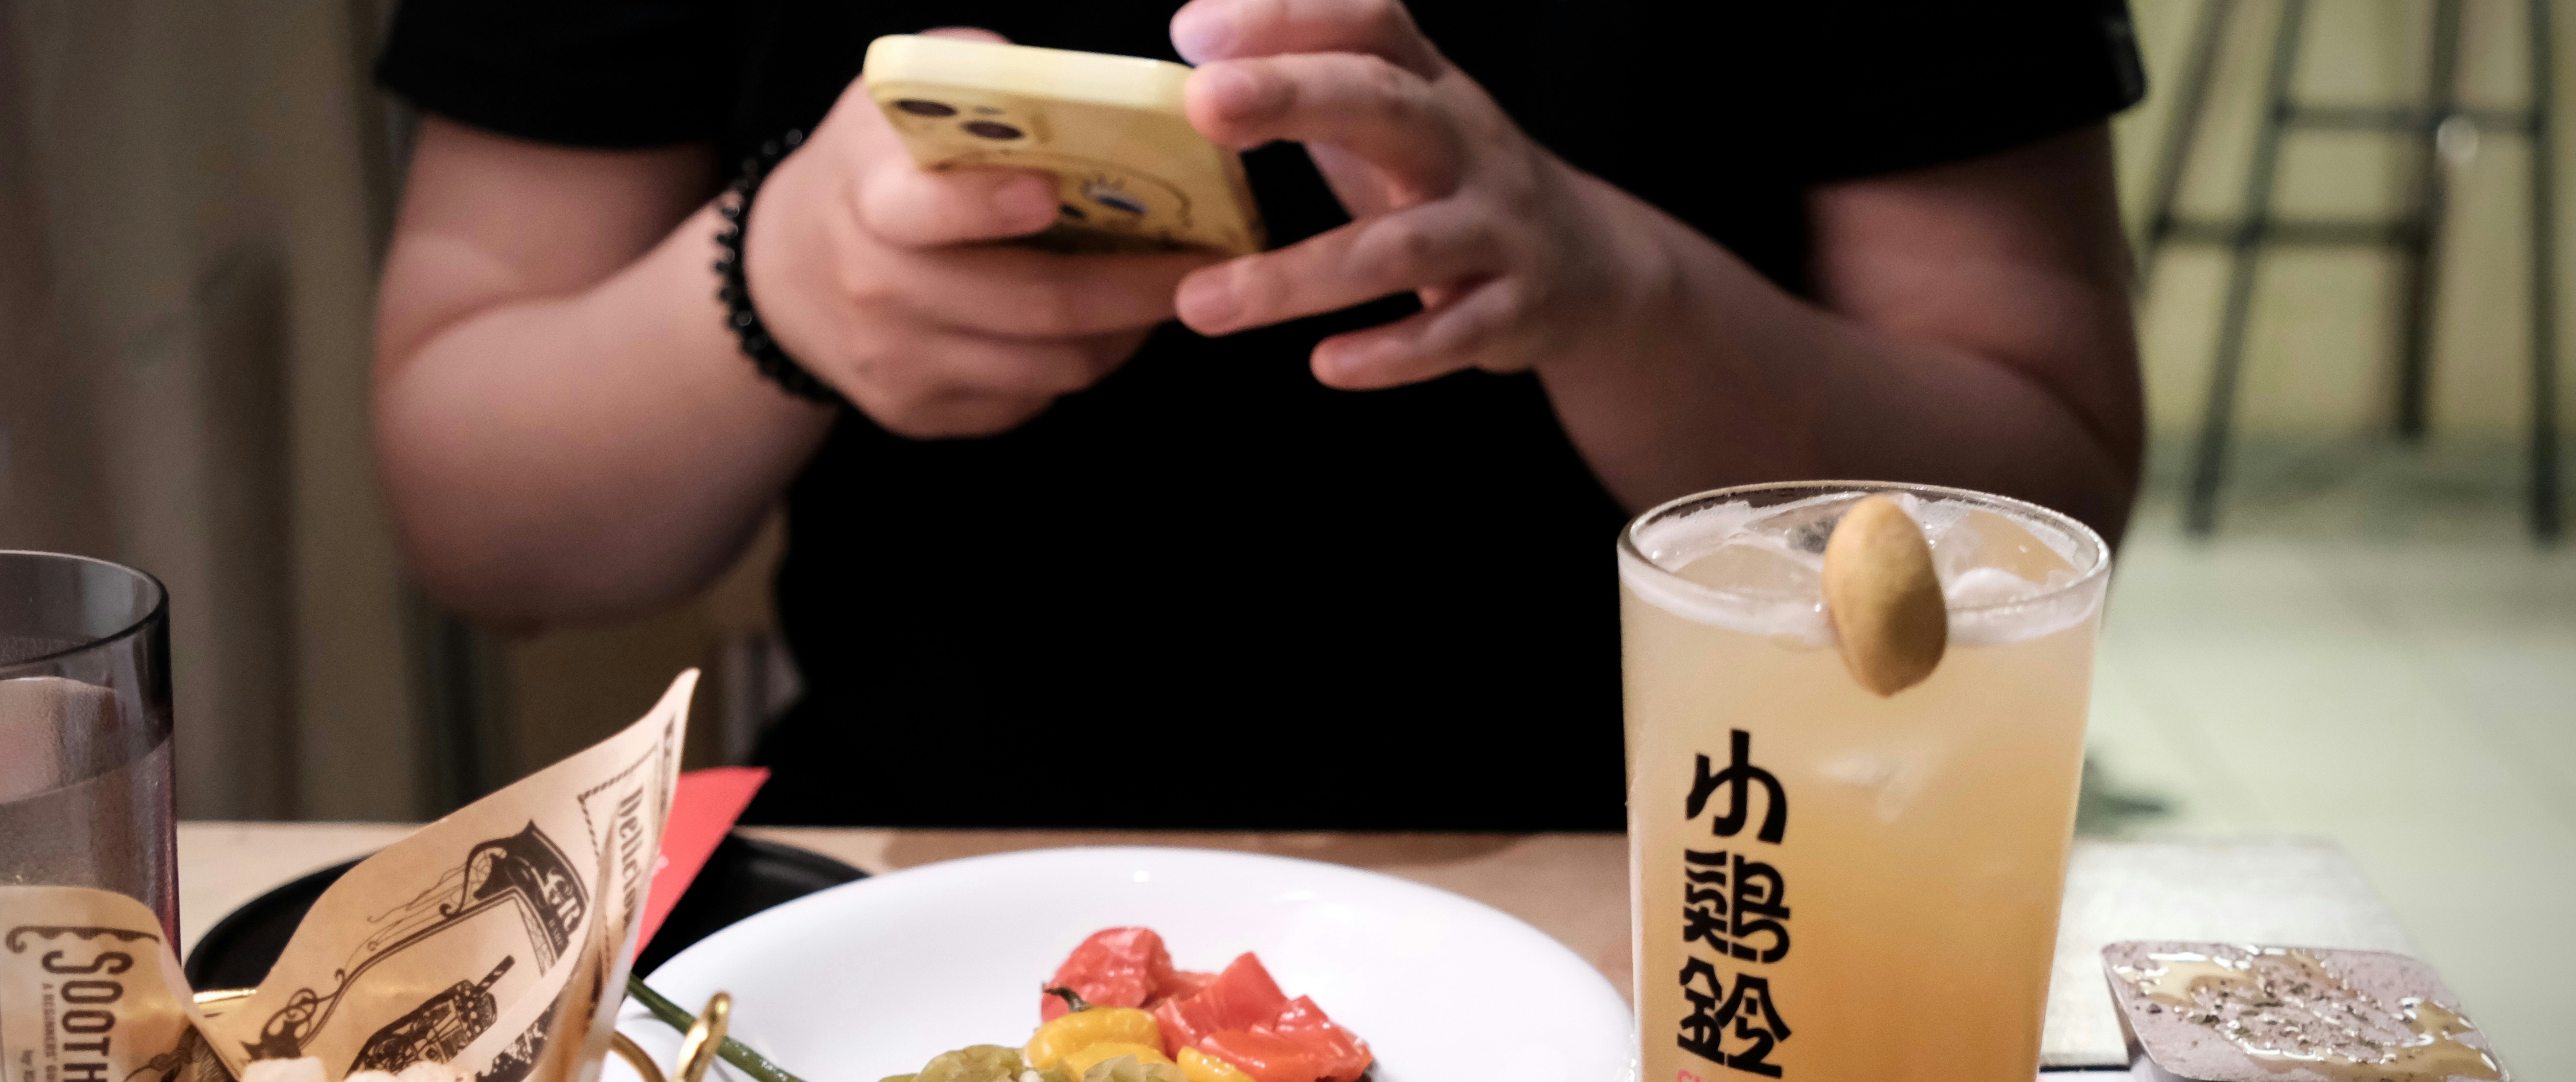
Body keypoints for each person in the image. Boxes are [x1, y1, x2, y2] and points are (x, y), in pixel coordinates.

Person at [372, 0, 2146, 830]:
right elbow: (476, 513)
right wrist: (770, 290)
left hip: (1703, 886)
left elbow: (2036, 484)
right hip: (926, 864)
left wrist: (1613, 290)